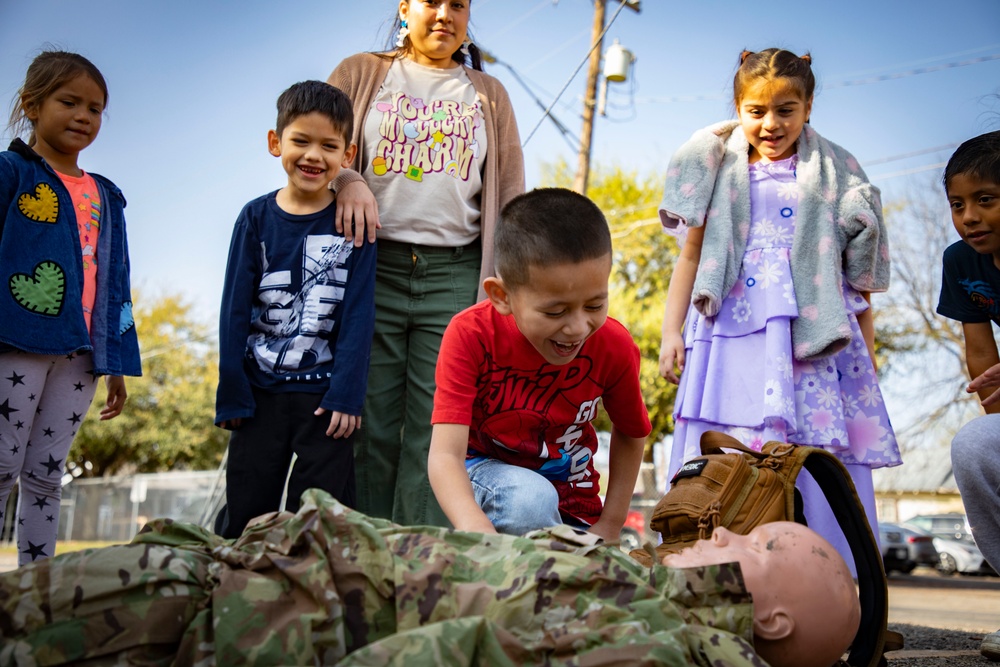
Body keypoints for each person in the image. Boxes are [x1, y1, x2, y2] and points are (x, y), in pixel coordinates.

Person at [0, 488, 860, 667]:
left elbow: (463, 652)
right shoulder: (647, 587)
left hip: (229, 613)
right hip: (245, 577)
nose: (727, 528)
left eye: (755, 543)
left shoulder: (666, 645)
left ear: (771, 618)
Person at [656, 48, 901, 573]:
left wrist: (868, 354)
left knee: (816, 452)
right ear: (739, 109)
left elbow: (855, 279)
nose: (771, 124)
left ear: (809, 106)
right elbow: (693, 254)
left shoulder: (834, 171)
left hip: (812, 338)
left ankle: (829, 587)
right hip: (730, 333)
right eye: (757, 111)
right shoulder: (717, 167)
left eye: (786, 109)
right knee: (725, 449)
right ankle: (715, 576)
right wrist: (670, 331)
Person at [326, 0, 525, 527]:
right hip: (374, 268)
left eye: (457, 5)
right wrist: (348, 180)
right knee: (371, 421)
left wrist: (503, 284)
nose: (443, 14)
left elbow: (507, 197)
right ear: (404, 10)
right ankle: (369, 553)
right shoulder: (360, 73)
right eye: (431, 2)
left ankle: (424, 567)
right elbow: (324, 149)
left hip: (456, 272)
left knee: (437, 426)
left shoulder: (488, 93)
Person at [428, 188, 651, 543]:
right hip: (490, 479)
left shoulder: (614, 345)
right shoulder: (470, 334)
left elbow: (632, 432)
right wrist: (477, 532)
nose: (578, 327)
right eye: (555, 311)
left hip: (575, 508)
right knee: (530, 500)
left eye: (594, 305)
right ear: (502, 297)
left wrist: (610, 526)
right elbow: (445, 456)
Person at [213, 81, 376, 539]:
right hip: (259, 393)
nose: (313, 155)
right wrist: (232, 389)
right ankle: (236, 598)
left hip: (324, 401)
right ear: (275, 142)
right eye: (301, 140)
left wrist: (347, 394)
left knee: (318, 520)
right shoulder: (255, 218)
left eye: (329, 145)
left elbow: (359, 315)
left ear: (348, 155)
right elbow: (233, 310)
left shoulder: (352, 224)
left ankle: (309, 603)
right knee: (247, 512)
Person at [0, 51, 140, 566]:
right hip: (18, 344)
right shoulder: (10, 173)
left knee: (45, 473)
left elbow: (116, 280)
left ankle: (35, 589)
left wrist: (117, 360)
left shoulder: (107, 195)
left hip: (82, 353)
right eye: (70, 102)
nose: (84, 116)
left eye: (96, 108)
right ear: (32, 106)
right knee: (0, 464)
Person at [934, 129, 1000, 661]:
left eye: (986, 201)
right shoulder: (962, 263)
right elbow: (981, 351)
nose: (969, 217)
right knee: (976, 445)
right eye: (958, 205)